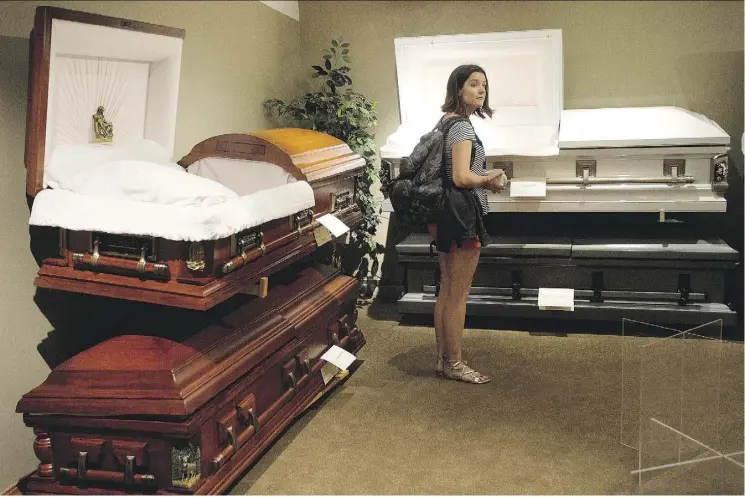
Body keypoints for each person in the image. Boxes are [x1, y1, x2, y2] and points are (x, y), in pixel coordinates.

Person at [428, 64, 506, 384]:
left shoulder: (444, 123)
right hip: (461, 216)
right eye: (473, 84)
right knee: (458, 293)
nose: (481, 90)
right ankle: (455, 364)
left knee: (447, 289)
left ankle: (443, 359)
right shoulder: (461, 127)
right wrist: (490, 179)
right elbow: (461, 177)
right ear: (458, 89)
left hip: (443, 215)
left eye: (484, 85)